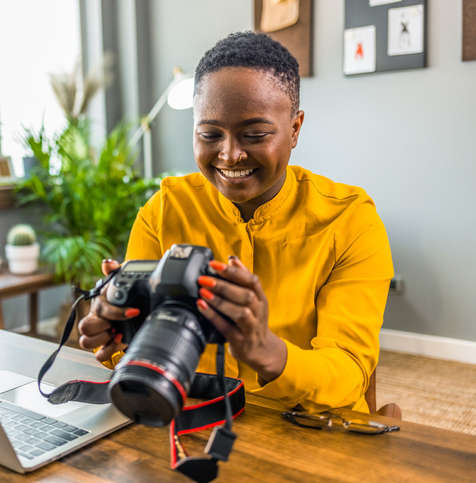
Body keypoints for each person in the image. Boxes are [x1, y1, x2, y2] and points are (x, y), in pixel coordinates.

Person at [78, 32, 393, 414]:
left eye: (255, 134)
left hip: (309, 430)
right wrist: (115, 333)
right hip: (191, 417)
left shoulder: (349, 220)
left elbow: (349, 373)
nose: (230, 154)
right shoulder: (164, 210)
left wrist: (267, 350)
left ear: (295, 128)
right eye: (209, 134)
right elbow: (135, 353)